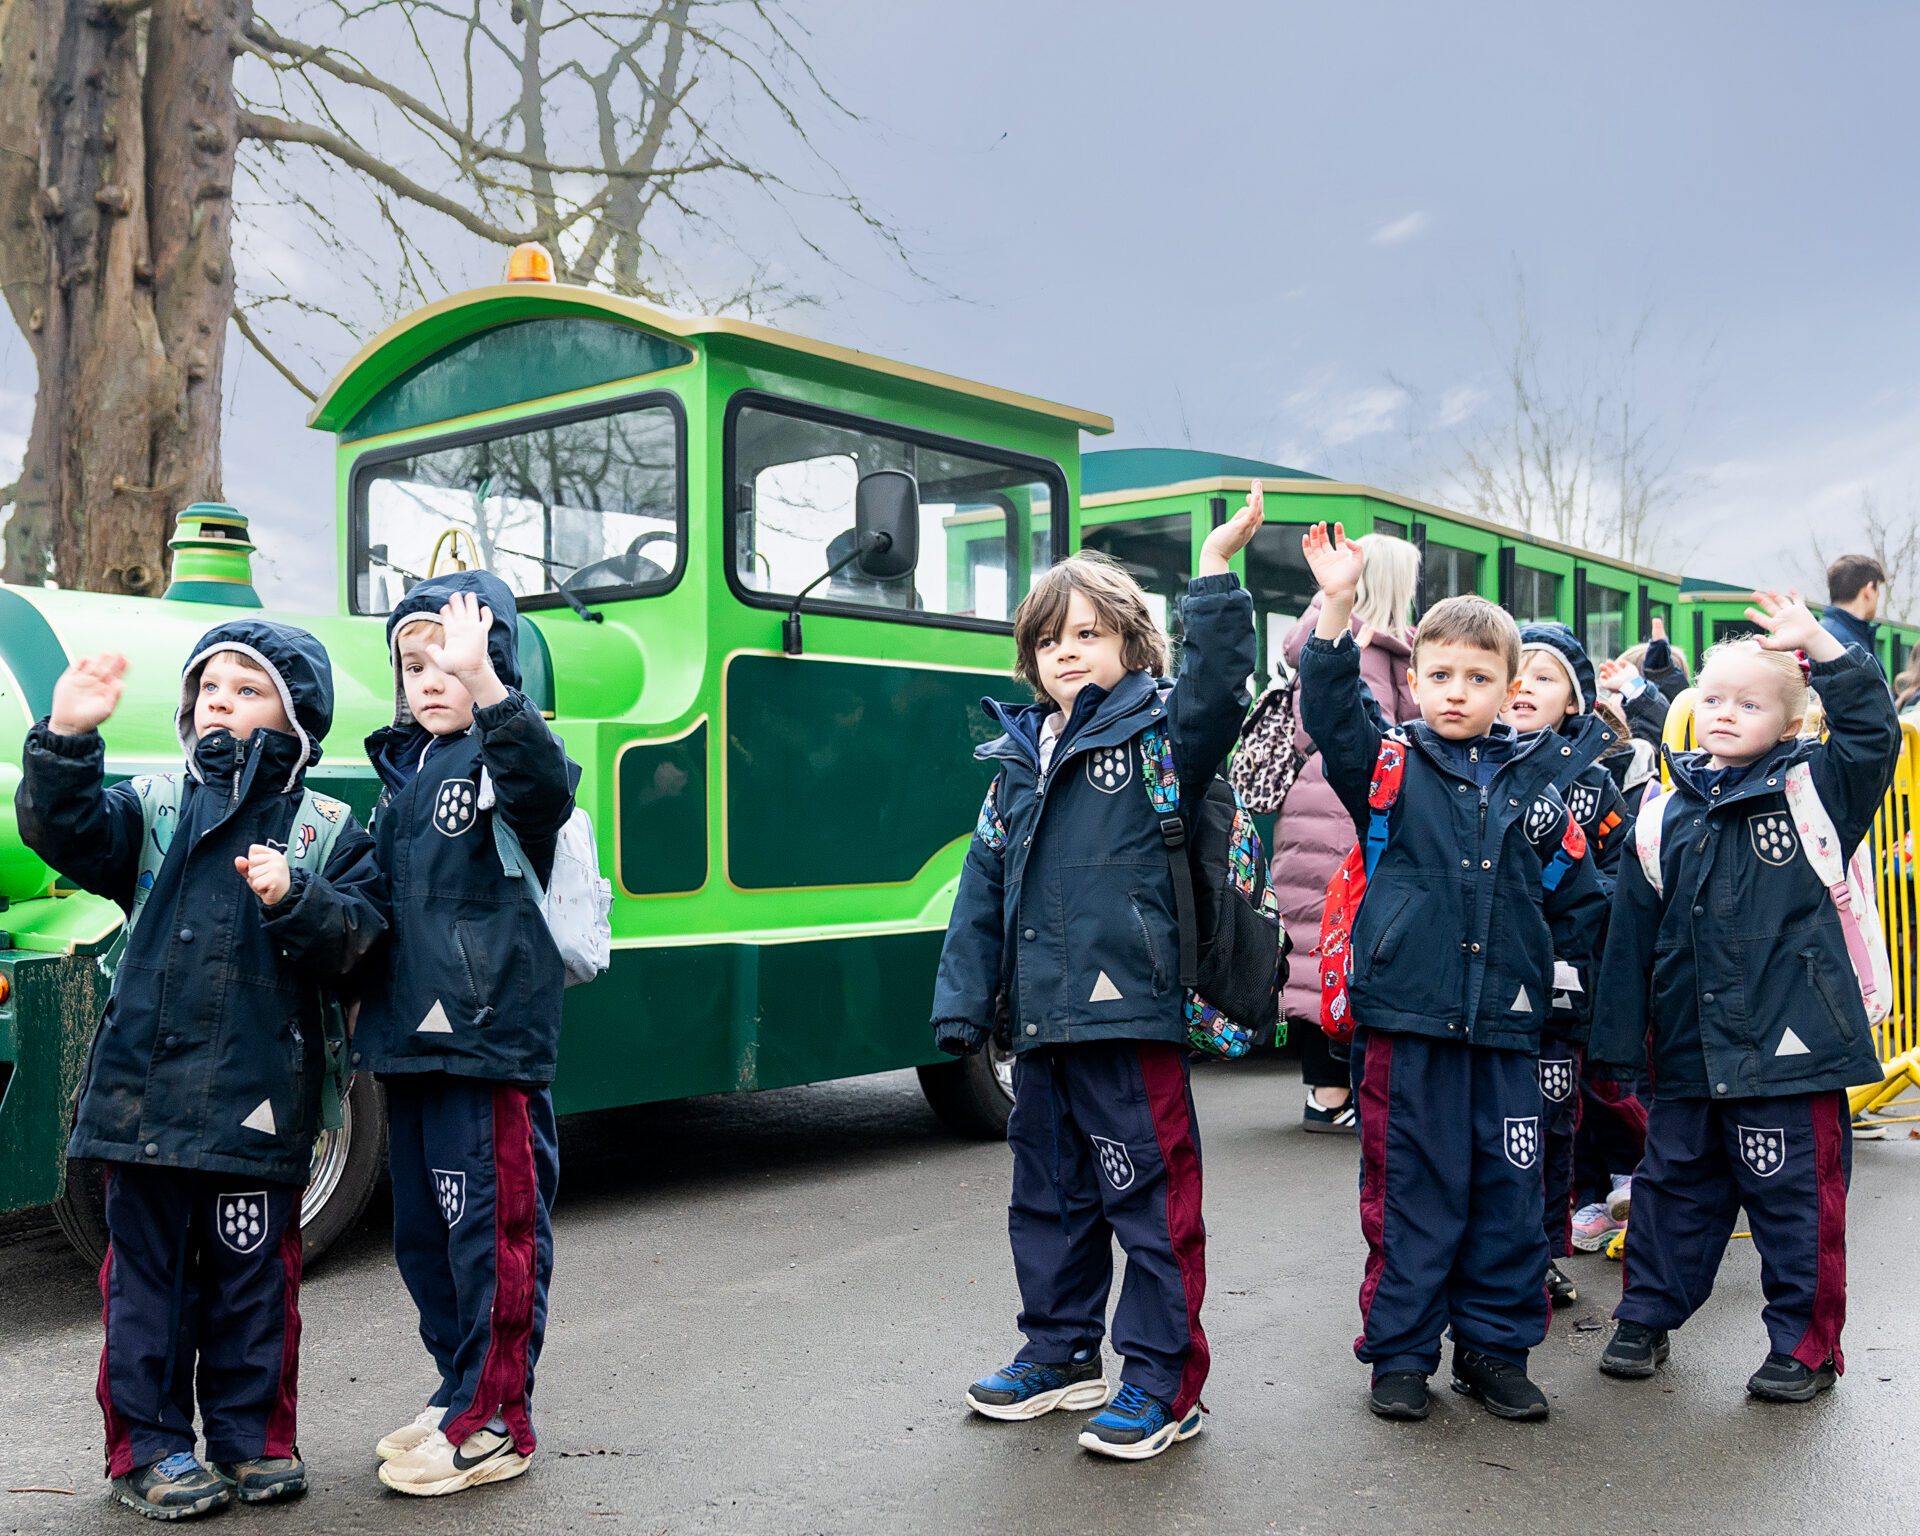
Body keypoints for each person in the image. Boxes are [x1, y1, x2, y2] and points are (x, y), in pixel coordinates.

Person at [15, 626, 385, 1520]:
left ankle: (252, 1439)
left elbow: (366, 943)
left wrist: (299, 897)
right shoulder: (153, 807)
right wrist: (66, 739)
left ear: (297, 721)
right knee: (147, 1290)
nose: (220, 699)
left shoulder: (327, 829)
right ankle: (148, 1449)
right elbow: (65, 829)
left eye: (248, 689)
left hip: (260, 1108)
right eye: (210, 686)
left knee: (255, 1281)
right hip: (142, 1102)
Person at [929, 488, 1262, 1461]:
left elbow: (1217, 690)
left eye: (1088, 633)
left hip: (1129, 1023)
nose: (1066, 652)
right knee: (1050, 1201)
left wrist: (1216, 572)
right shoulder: (1016, 764)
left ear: (1133, 644)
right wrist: (963, 1006)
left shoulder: (1159, 734)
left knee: (1151, 1206)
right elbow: (980, 890)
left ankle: (1163, 1382)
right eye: (1049, 640)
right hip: (1042, 1034)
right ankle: (1059, 1354)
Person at [1296, 524, 1610, 1425]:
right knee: (1409, 1201)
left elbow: (1580, 905)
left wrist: (1567, 1004)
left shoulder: (1541, 790)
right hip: (1409, 1028)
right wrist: (1338, 608)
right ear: (1416, 679)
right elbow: (1327, 710)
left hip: (1510, 1035)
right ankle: (1399, 1356)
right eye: (1440, 675)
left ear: (1512, 692)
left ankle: (1494, 1352)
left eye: (1479, 678)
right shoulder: (1388, 764)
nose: (1457, 693)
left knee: (1509, 1203)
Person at [1591, 593, 1901, 1400]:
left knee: (1796, 1204)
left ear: (1792, 723)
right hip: (1690, 1053)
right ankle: (1645, 1318)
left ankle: (1803, 1345)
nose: (1726, 713)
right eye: (1715, 699)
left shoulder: (1814, 791)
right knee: (1672, 1192)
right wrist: (1619, 1047)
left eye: (1750, 702)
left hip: (1791, 1053)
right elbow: (1631, 938)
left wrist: (1826, 651)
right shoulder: (1663, 812)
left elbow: (1872, 736)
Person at [358, 575, 578, 1496]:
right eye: (414, 664)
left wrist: (490, 686)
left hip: (487, 1045)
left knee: (490, 1233)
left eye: (451, 661)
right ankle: (457, 1385)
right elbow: (368, 904)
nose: (431, 678)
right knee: (427, 1240)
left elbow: (543, 788)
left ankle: (497, 1418)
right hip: (410, 1047)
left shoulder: (508, 756)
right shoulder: (402, 784)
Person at [1269, 533, 1421, 1132]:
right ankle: (1346, 1092)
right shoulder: (1379, 652)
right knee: (1351, 942)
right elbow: (1386, 736)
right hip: (1345, 812)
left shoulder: (1317, 636)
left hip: (1302, 811)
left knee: (1310, 948)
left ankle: (1323, 1093)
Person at [1500, 623, 1631, 1305]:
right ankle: (1498, 1252)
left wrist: (1564, 886)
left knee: (1550, 1128)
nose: (1525, 687)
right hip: (1480, 991)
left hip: (1558, 987)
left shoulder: (1596, 787)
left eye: (1545, 677)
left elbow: (1616, 880)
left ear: (1575, 703)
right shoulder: (1471, 765)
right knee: (1489, 1130)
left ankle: (1543, 1251)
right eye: (1515, 672)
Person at [1819, 554, 1889, 685]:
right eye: (1877, 591)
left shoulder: (1823, 634)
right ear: (1868, 591)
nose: (1878, 597)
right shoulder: (1851, 642)